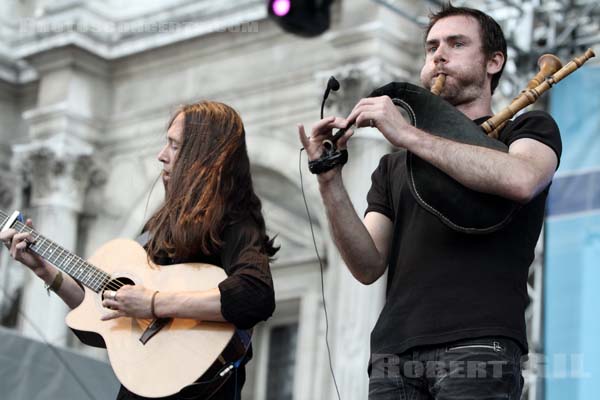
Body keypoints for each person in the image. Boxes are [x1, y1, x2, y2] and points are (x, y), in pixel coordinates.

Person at [299, 3, 561, 399]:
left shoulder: (526, 127)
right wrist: (329, 180)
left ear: (494, 61)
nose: (439, 54)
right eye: (431, 46)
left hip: (479, 345)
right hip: (393, 356)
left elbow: (522, 179)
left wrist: (407, 134)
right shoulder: (393, 166)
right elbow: (368, 264)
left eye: (456, 44)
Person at [1, 101, 278, 399]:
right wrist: (44, 269)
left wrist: (155, 303)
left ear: (202, 155)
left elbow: (255, 295)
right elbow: (102, 310)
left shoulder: (236, 219)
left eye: (174, 146)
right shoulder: (159, 226)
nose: (162, 156)